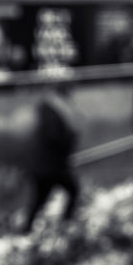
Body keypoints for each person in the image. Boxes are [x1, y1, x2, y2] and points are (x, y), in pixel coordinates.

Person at [24, 81, 82, 232]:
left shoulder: (53, 107)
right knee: (72, 190)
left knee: (40, 198)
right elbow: (53, 136)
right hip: (49, 165)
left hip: (47, 164)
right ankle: (65, 224)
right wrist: (70, 137)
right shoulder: (52, 108)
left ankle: (26, 229)